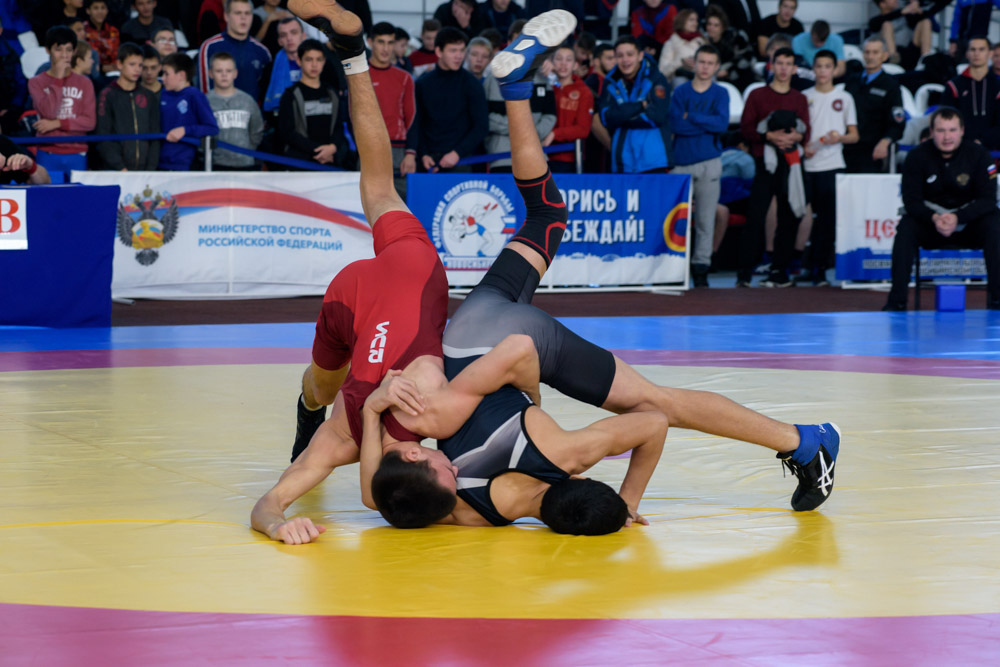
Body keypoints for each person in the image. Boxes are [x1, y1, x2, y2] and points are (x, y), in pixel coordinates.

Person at [253, 8, 842, 541]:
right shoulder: (383, 438)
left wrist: (529, 396)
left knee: (652, 400)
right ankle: (481, 82)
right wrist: (358, 429)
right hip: (446, 314)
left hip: (488, 341)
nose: (447, 465)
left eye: (438, 467)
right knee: (530, 213)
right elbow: (355, 491)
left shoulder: (440, 437)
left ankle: (804, 442)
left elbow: (374, 485)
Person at [250, 0, 451, 531]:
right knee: (322, 390)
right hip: (364, 292)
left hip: (402, 279)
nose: (453, 466)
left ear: (417, 458)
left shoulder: (417, 417)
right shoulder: (349, 437)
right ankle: (351, 52)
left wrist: (278, 523)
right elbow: (272, 507)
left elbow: (268, 506)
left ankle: (354, 55)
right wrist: (277, 524)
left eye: (446, 471)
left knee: (379, 180)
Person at [884, 107, 1000, 311]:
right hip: (931, 225)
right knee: (906, 228)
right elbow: (911, 200)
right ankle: (897, 301)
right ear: (931, 132)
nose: (947, 137)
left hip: (970, 225)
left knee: (995, 224)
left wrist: (958, 217)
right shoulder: (916, 156)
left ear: (962, 131)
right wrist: (934, 218)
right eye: (941, 130)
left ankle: (998, 299)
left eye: (952, 130)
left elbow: (988, 200)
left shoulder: (979, 155)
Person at [737, 46, 809, 288]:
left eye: (788, 64)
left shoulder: (799, 98)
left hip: (790, 163)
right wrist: (769, 136)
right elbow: (746, 129)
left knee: (788, 217)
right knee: (755, 217)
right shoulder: (757, 95)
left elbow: (805, 131)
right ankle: (744, 273)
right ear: (771, 66)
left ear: (795, 68)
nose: (783, 68)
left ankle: (780, 271)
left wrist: (794, 138)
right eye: (779, 63)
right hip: (764, 164)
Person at [669, 44, 729, 287]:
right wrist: (705, 123)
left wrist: (691, 117)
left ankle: (701, 268)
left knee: (705, 220)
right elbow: (676, 125)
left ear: (717, 67)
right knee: (675, 219)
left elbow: (721, 125)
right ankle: (673, 267)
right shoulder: (680, 92)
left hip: (709, 163)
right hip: (681, 163)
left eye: (710, 63)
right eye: (702, 62)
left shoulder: (721, 93)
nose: (705, 67)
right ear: (694, 63)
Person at [798, 49, 857, 287]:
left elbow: (854, 135)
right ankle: (800, 265)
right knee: (799, 216)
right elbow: (798, 132)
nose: (822, 71)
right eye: (819, 66)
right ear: (813, 69)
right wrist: (803, 147)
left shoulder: (845, 98)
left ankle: (820, 269)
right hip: (806, 164)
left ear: (834, 69)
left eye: (827, 66)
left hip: (832, 165)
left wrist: (838, 138)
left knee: (826, 220)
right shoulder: (804, 97)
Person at [414, 26, 488, 173]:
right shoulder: (422, 84)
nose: (459, 56)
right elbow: (416, 124)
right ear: (438, 51)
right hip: (427, 163)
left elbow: (481, 127)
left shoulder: (472, 84)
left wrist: (457, 153)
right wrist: (423, 154)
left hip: (461, 162)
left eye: (462, 51)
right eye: (453, 51)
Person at [596, 34, 671, 174]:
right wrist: (639, 106)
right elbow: (606, 118)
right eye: (620, 55)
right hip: (622, 160)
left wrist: (621, 116)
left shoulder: (656, 78)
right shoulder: (609, 81)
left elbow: (657, 116)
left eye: (630, 54)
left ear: (640, 56)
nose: (625, 60)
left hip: (654, 160)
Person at [27, 26, 96, 176]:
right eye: (58, 49)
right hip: (47, 151)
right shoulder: (36, 82)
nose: (64, 55)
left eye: (69, 50)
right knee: (47, 191)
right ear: (48, 50)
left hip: (77, 151)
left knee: (76, 192)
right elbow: (49, 112)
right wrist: (58, 78)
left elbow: (89, 122)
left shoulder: (85, 83)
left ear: (75, 51)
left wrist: (57, 123)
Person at [278, 38, 351, 169]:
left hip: (330, 162)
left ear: (324, 61)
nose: (314, 65)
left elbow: (339, 127)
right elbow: (287, 132)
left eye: (318, 59)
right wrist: (319, 151)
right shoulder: (290, 95)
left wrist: (333, 147)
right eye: (309, 59)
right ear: (299, 61)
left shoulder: (332, 94)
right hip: (300, 165)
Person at [483, 49, 555, 172]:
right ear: (510, 44)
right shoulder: (493, 78)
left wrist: (529, 133)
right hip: (501, 155)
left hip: (536, 155)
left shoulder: (543, 78)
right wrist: (524, 132)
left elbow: (550, 116)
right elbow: (487, 117)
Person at [368, 21, 418, 198]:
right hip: (368, 150)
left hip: (398, 153)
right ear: (370, 42)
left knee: (400, 208)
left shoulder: (405, 78)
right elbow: (352, 116)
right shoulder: (359, 76)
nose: (385, 48)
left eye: (390, 43)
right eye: (381, 42)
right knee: (366, 208)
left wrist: (410, 153)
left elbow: (412, 118)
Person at [843, 36, 904, 174]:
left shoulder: (891, 85)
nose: (870, 57)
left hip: (874, 150)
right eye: (867, 52)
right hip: (848, 146)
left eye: (875, 52)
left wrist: (885, 142)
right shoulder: (852, 80)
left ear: (885, 56)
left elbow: (897, 122)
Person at [95, 42, 160, 171]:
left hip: (145, 172)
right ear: (119, 64)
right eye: (132, 64)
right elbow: (103, 135)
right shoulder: (107, 95)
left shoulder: (149, 96)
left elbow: (155, 136)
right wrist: (120, 167)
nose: (137, 69)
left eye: (140, 65)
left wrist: (150, 169)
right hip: (116, 171)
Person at [198, 0, 272, 102]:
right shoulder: (210, 47)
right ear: (226, 16)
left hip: (252, 111)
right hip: (218, 110)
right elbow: (204, 92)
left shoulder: (262, 51)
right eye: (238, 13)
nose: (243, 18)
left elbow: (266, 94)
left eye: (247, 13)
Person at [157, 52, 218, 171]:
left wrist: (185, 130)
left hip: (184, 165)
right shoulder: (162, 95)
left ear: (181, 75)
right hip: (158, 163)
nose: (162, 78)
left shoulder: (194, 96)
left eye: (166, 74)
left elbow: (212, 128)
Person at [207, 52, 265, 170]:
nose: (224, 75)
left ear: (235, 73)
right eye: (219, 71)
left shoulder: (247, 100)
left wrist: (248, 150)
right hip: (216, 164)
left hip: (246, 163)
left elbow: (257, 130)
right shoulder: (205, 101)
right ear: (211, 73)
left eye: (228, 71)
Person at [941, 36, 1000, 150]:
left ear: (990, 53)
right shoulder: (953, 85)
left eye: (981, 49)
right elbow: (947, 120)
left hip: (993, 148)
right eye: (973, 49)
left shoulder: (997, 86)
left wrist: (982, 141)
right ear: (967, 53)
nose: (976, 54)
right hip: (959, 147)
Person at [546, 43, 594, 172]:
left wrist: (555, 134)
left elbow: (583, 129)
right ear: (552, 62)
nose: (563, 64)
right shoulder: (546, 87)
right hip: (541, 156)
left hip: (569, 159)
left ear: (575, 65)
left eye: (568, 60)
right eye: (559, 59)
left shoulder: (584, 92)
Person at [868, 0, 946, 70]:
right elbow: (877, 22)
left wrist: (918, 9)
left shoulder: (905, 15)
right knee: (887, 24)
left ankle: (925, 58)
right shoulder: (876, 21)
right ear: (882, 4)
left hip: (909, 52)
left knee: (925, 22)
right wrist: (902, 11)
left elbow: (926, 17)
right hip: (890, 56)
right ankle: (893, 57)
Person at [704, 2, 756, 91]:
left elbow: (748, 57)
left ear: (723, 27)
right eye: (709, 24)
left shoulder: (735, 37)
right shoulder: (703, 41)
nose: (711, 28)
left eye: (716, 25)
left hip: (738, 75)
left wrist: (729, 71)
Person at [264, 17, 306, 113]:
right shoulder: (270, 69)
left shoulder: (318, 63)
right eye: (283, 35)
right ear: (279, 41)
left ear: (303, 36)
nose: (289, 38)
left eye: (294, 32)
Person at [658, 8, 706, 85]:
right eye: (691, 20)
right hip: (678, 79)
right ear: (682, 21)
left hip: (700, 78)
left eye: (696, 20)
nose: (695, 23)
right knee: (680, 81)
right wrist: (681, 62)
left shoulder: (702, 41)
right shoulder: (671, 43)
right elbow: (662, 72)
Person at [84, 0, 119, 74]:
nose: (100, 12)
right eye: (96, 8)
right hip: (90, 71)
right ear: (88, 11)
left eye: (103, 8)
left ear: (107, 10)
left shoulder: (113, 31)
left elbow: (115, 53)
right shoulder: (83, 30)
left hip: (112, 70)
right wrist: (101, 67)